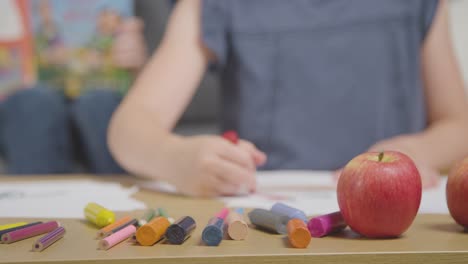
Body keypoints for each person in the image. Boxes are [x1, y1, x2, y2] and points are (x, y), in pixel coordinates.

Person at [108, 0, 468, 197]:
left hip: (402, 231)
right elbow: (127, 129)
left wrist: (419, 150)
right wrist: (177, 158)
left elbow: (460, 124)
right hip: (265, 224)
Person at [0, 0, 146, 174]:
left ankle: (128, 196)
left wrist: (139, 67)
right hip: (29, 99)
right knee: (31, 104)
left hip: (106, 100)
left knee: (98, 104)